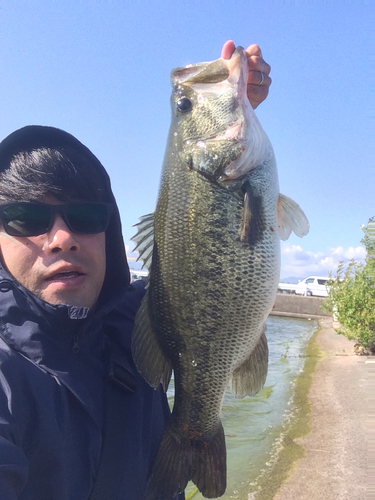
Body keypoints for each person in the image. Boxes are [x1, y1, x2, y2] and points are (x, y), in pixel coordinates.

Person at [0, 42, 271, 500]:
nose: (62, 237)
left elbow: (202, 274)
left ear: (109, 230)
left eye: (86, 217)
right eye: (27, 218)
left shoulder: (139, 321)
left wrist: (236, 105)